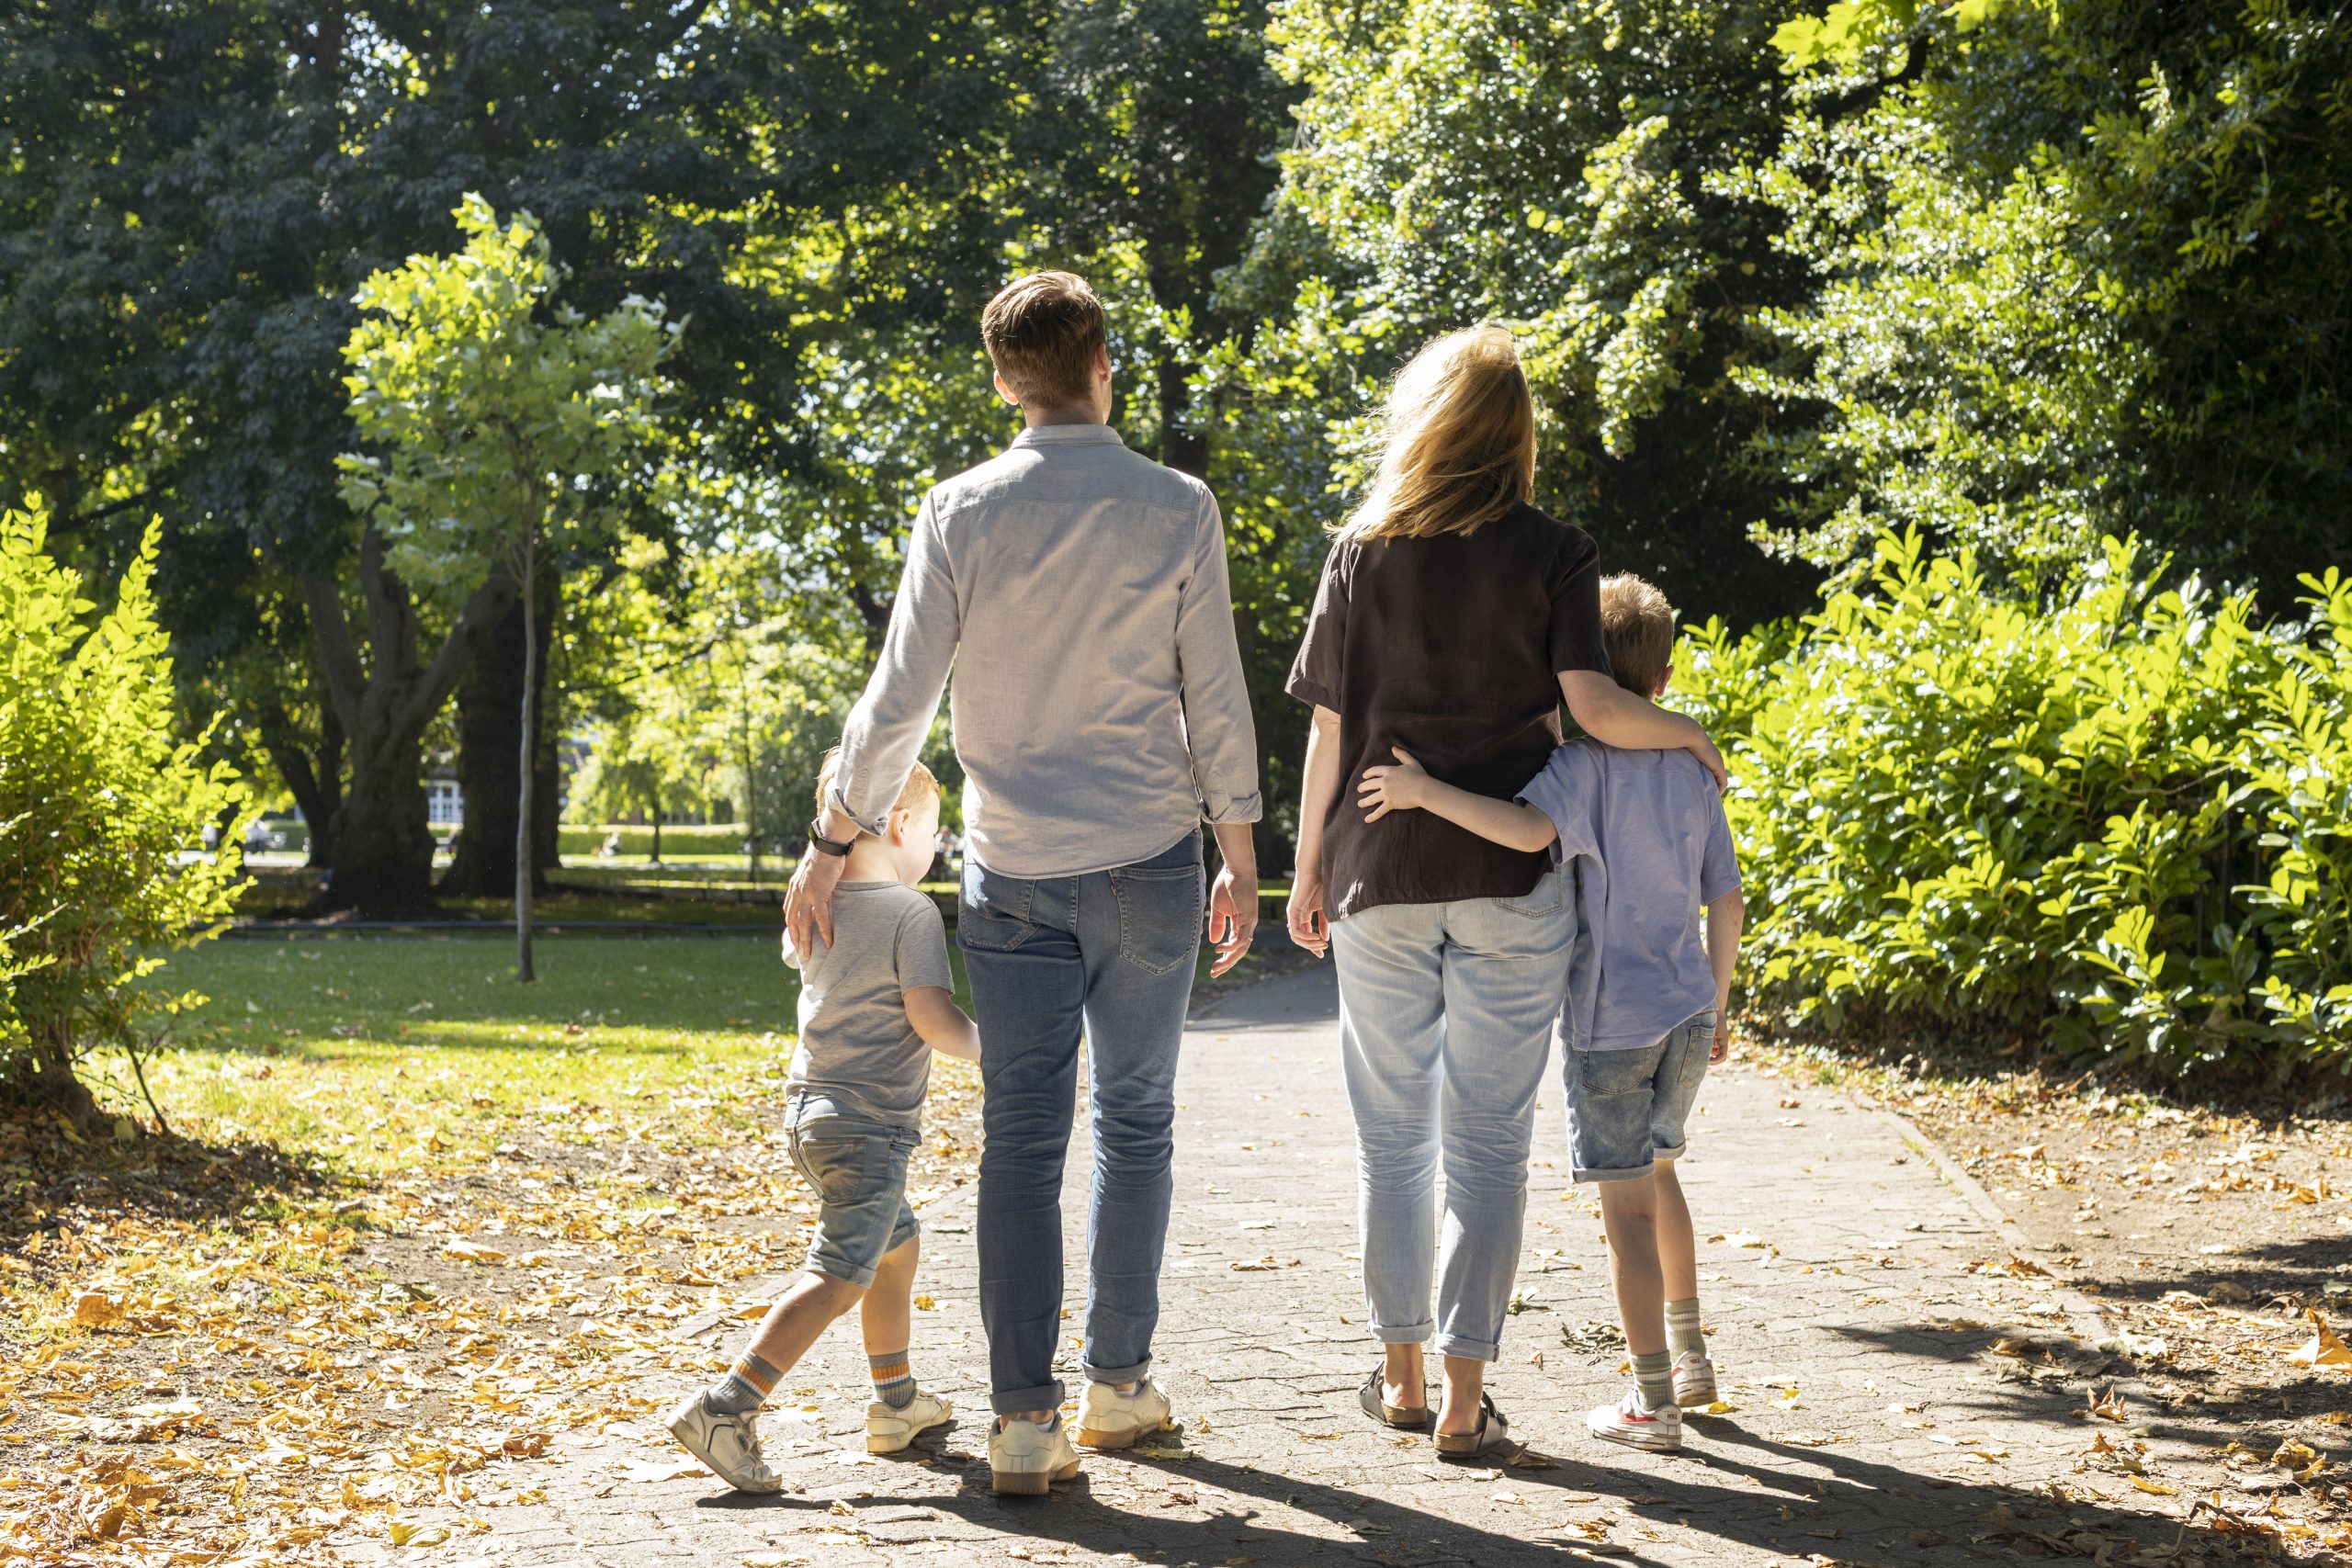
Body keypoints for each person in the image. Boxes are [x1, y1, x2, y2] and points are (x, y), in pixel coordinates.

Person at [784, 271, 1261, 1495]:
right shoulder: (1177, 505)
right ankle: (1118, 1382)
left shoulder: (960, 509)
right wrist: (1242, 842)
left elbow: (900, 700)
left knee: (1022, 1135)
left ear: (1003, 380)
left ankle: (1024, 1420)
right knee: (1138, 1117)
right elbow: (1214, 687)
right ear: (1105, 359)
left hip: (1014, 876)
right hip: (1152, 859)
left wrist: (834, 839)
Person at [1284, 326, 1725, 1459]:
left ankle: (1398, 1380)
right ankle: (1466, 1404)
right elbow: (1596, 710)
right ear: (1516, 434)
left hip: (1378, 873)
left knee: (1393, 1146)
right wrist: (1693, 737)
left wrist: (1307, 870)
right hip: (1511, 880)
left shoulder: (1358, 552)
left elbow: (1330, 736)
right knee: (1485, 1148)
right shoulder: (1556, 553)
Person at [1355, 571, 1745, 1455]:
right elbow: (1728, 903)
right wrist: (1718, 1005)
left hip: (1613, 1026)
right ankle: (1690, 1359)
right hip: (1687, 1011)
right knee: (1664, 1173)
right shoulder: (1692, 769)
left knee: (1626, 1217)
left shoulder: (1575, 769)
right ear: (1666, 677)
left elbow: (1526, 833)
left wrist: (1424, 795)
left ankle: (1654, 1405)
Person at [667, 754, 979, 1493]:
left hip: (811, 1117)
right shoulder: (912, 912)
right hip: (871, 1126)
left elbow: (795, 951)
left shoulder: (819, 898)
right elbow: (930, 1015)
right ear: (900, 825)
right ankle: (725, 1407)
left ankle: (895, 1403)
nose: (936, 848)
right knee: (839, 1276)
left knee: (895, 1249)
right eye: (934, 832)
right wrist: (998, 1049)